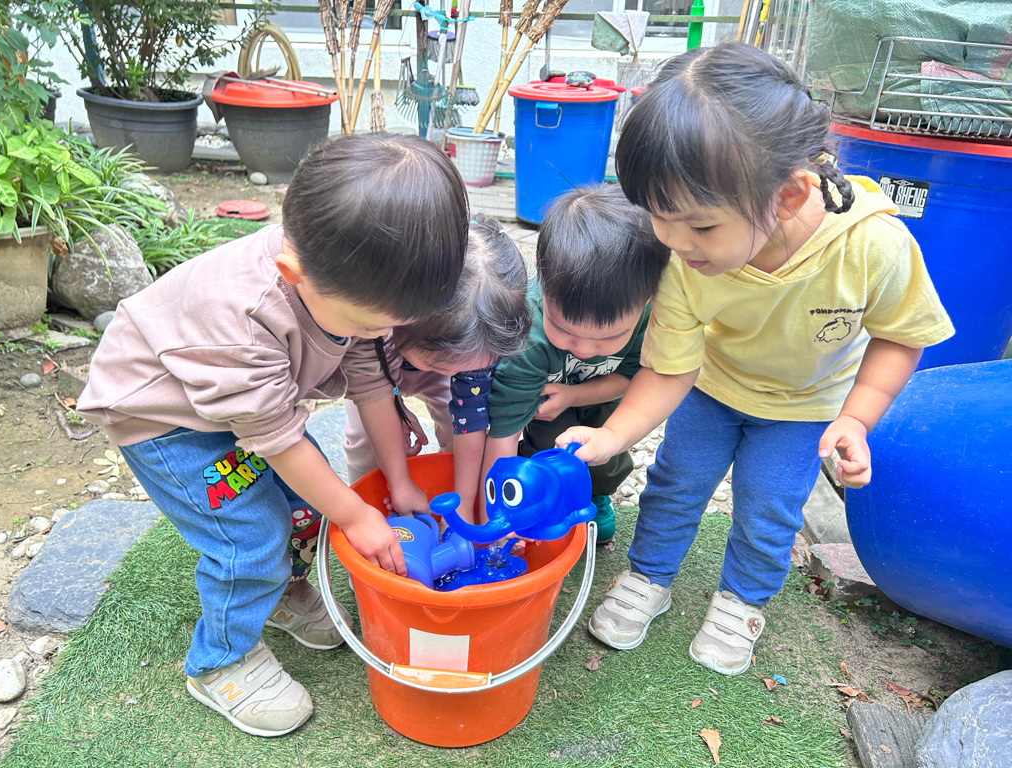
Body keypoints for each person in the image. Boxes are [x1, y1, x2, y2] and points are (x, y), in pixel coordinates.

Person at [556, 43, 954, 675]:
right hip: (711, 389)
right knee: (675, 482)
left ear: (788, 197)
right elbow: (670, 367)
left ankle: (741, 600)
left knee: (768, 505)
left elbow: (901, 334)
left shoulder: (872, 244)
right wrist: (613, 435)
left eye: (699, 226)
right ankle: (648, 575)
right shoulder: (683, 260)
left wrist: (856, 419)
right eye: (658, 217)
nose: (673, 241)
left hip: (805, 406)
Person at [76, 133, 469, 737]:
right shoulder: (243, 316)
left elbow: (370, 382)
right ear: (292, 273)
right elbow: (278, 439)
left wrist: (397, 481)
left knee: (306, 508)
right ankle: (220, 660)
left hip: (239, 411)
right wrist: (357, 515)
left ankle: (280, 591)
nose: (381, 335)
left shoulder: (349, 279)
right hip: (164, 419)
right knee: (251, 534)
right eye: (370, 324)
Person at [481, 184, 670, 543]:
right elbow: (503, 431)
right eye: (564, 330)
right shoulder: (528, 338)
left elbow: (632, 377)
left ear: (648, 300)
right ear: (542, 278)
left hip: (604, 397)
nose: (583, 349)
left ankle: (595, 495)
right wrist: (500, 514)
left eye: (607, 339)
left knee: (605, 457)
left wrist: (573, 396)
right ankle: (541, 497)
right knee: (545, 450)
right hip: (544, 406)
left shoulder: (649, 321)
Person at [342, 217, 531, 526]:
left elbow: (470, 422)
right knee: (366, 436)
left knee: (455, 431)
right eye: (444, 364)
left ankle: (450, 493)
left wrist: (463, 504)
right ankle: (368, 503)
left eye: (467, 367)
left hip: (425, 355)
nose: (455, 372)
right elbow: (369, 390)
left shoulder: (480, 341)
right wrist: (394, 407)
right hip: (377, 372)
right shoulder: (375, 327)